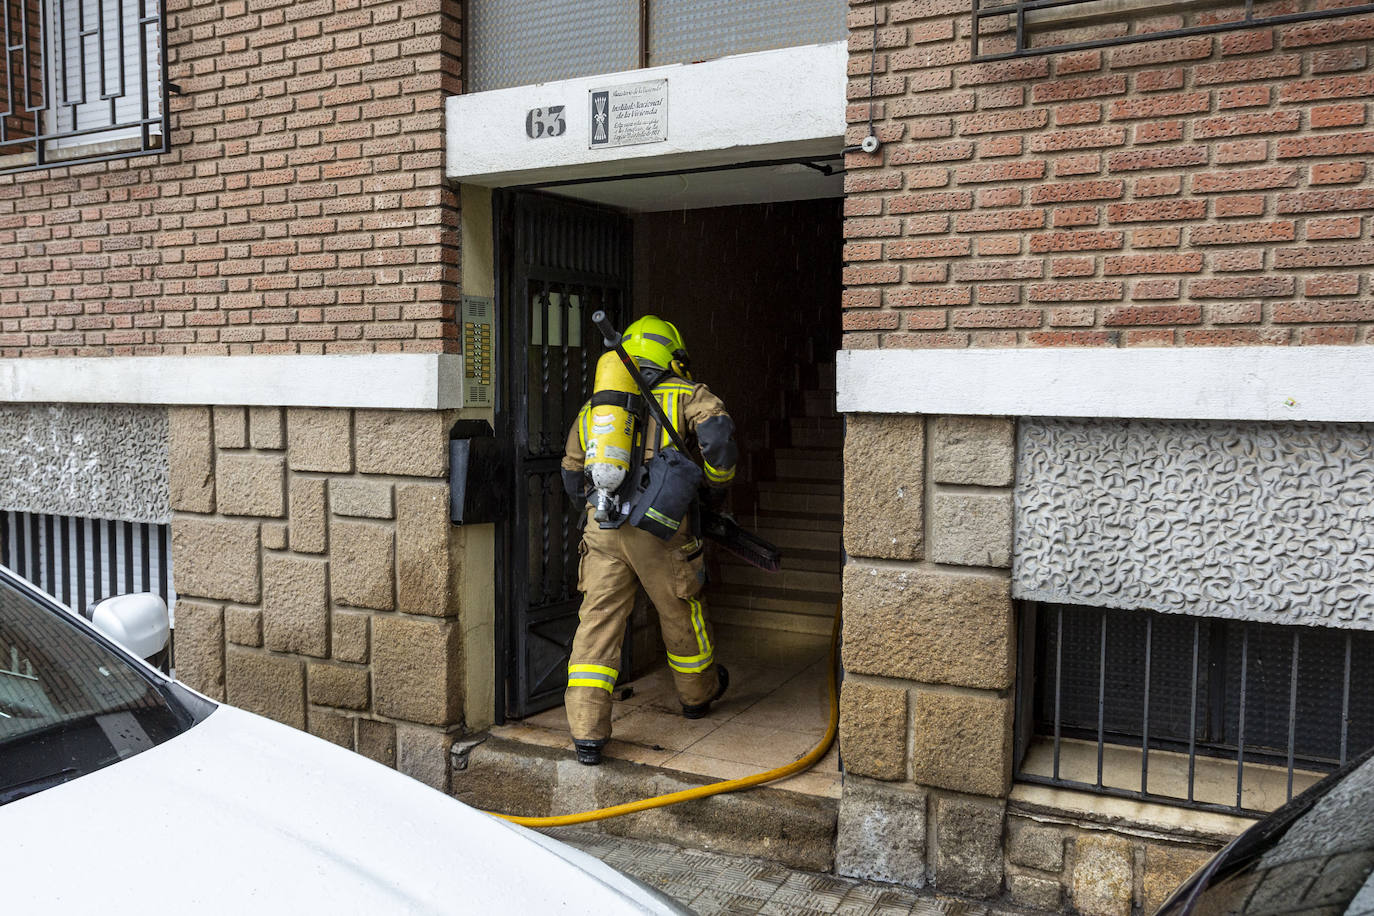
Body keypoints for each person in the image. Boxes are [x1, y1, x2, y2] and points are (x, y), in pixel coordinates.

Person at [560, 315, 739, 766]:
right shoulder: (686, 393)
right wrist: (717, 484)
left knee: (597, 622)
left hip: (602, 529)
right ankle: (697, 696)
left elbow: (570, 469)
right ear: (671, 355)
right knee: (680, 611)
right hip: (661, 529)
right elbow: (718, 440)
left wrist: (593, 509)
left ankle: (587, 732)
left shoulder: (602, 410)